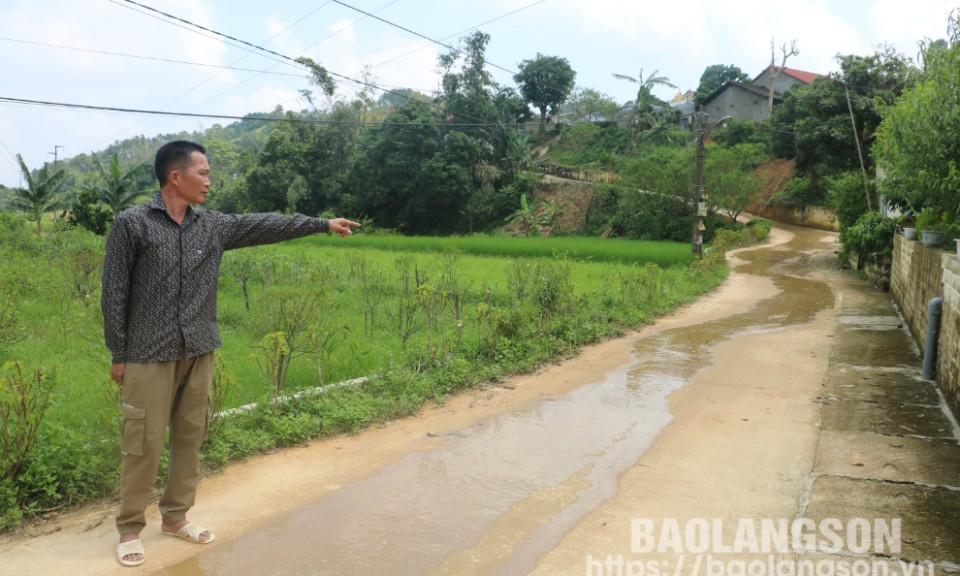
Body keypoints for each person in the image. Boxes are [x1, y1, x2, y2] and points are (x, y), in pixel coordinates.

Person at [102, 140, 359, 567]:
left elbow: (265, 224)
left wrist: (321, 223)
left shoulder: (213, 226)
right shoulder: (133, 225)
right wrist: (119, 353)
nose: (209, 181)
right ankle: (130, 526)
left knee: (190, 436)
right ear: (176, 177)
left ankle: (176, 517)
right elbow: (114, 293)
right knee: (142, 443)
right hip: (147, 353)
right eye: (202, 173)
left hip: (199, 348)